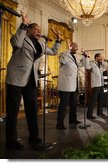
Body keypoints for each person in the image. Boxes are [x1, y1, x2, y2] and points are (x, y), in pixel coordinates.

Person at [5, 12, 61, 149]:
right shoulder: (21, 37)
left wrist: (58, 41)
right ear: (29, 30)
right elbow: (15, 42)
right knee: (13, 112)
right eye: (36, 30)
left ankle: (34, 137)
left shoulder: (41, 42)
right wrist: (23, 24)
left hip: (31, 80)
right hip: (16, 78)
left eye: (40, 31)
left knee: (32, 110)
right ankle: (11, 141)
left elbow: (53, 52)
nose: (38, 32)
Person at [56, 42, 89, 129]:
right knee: (63, 105)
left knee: (74, 103)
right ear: (71, 47)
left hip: (74, 85)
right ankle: (59, 123)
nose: (77, 49)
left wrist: (84, 57)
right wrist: (68, 50)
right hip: (66, 84)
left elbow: (81, 64)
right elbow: (62, 61)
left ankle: (72, 119)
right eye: (76, 47)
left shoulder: (75, 57)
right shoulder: (64, 54)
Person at [86, 53, 107, 119]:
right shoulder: (92, 64)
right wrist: (87, 58)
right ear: (96, 57)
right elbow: (87, 67)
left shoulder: (100, 65)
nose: (101, 58)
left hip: (101, 84)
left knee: (101, 99)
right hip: (95, 84)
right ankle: (89, 114)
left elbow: (105, 68)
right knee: (93, 100)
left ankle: (99, 112)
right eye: (100, 57)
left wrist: (103, 61)